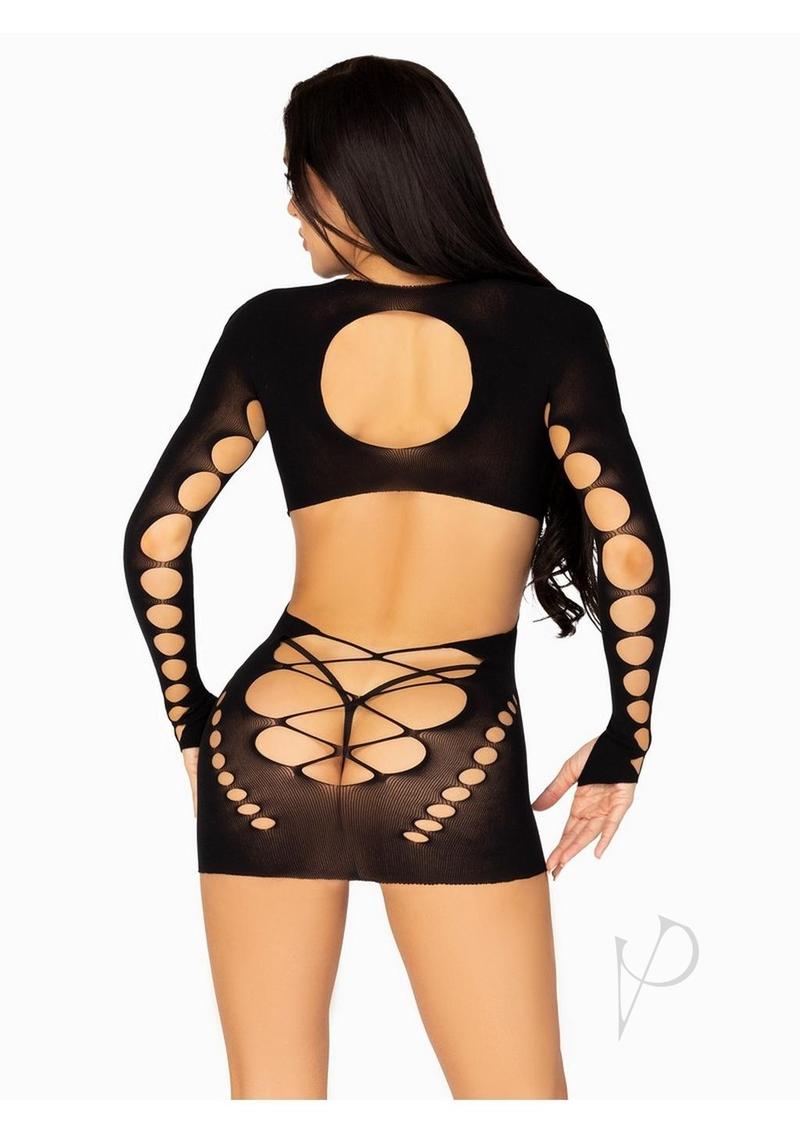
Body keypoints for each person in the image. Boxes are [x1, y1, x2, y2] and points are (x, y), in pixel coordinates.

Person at [122, 54, 670, 1101]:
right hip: (450, 739)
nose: (290, 209)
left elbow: (157, 533)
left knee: (271, 1096)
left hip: (267, 735)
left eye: (297, 180)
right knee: (515, 1099)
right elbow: (627, 545)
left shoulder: (269, 328)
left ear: (354, 180)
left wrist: (191, 722)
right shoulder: (550, 328)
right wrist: (627, 736)